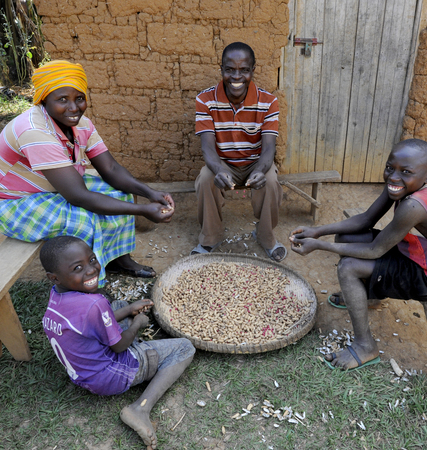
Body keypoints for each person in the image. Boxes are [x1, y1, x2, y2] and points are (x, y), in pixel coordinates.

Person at [289, 139, 427, 370]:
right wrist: (318, 231)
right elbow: (365, 219)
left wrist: (318, 246)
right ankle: (368, 295)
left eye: (406, 172)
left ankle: (365, 346)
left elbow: (374, 251)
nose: (393, 176)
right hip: (420, 254)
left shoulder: (414, 206)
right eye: (390, 167)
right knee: (346, 238)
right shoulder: (403, 183)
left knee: (348, 267)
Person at [0, 60, 175, 286]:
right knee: (84, 222)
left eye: (79, 98)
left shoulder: (81, 124)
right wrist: (142, 210)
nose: (74, 108)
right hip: (16, 202)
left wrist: (150, 193)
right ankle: (91, 287)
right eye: (62, 99)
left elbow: (110, 169)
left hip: (53, 188)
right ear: (44, 100)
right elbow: (78, 196)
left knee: (120, 194)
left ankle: (118, 261)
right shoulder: (34, 130)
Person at [40, 236, 195, 450]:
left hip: (82, 372)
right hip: (109, 375)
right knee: (184, 348)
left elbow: (94, 320)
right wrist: (136, 324)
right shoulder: (94, 303)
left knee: (120, 304)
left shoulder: (57, 295)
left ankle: (136, 339)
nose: (91, 270)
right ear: (54, 277)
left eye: (92, 260)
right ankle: (140, 409)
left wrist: (129, 309)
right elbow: (119, 346)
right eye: (78, 268)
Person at [193, 42, 286, 261]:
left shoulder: (268, 102)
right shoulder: (205, 100)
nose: (237, 76)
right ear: (221, 69)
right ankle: (210, 238)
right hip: (223, 163)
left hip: (256, 162)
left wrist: (261, 170)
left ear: (253, 70)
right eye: (230, 70)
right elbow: (207, 147)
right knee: (206, 177)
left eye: (244, 70)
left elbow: (269, 148)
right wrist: (218, 170)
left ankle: (267, 238)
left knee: (271, 179)